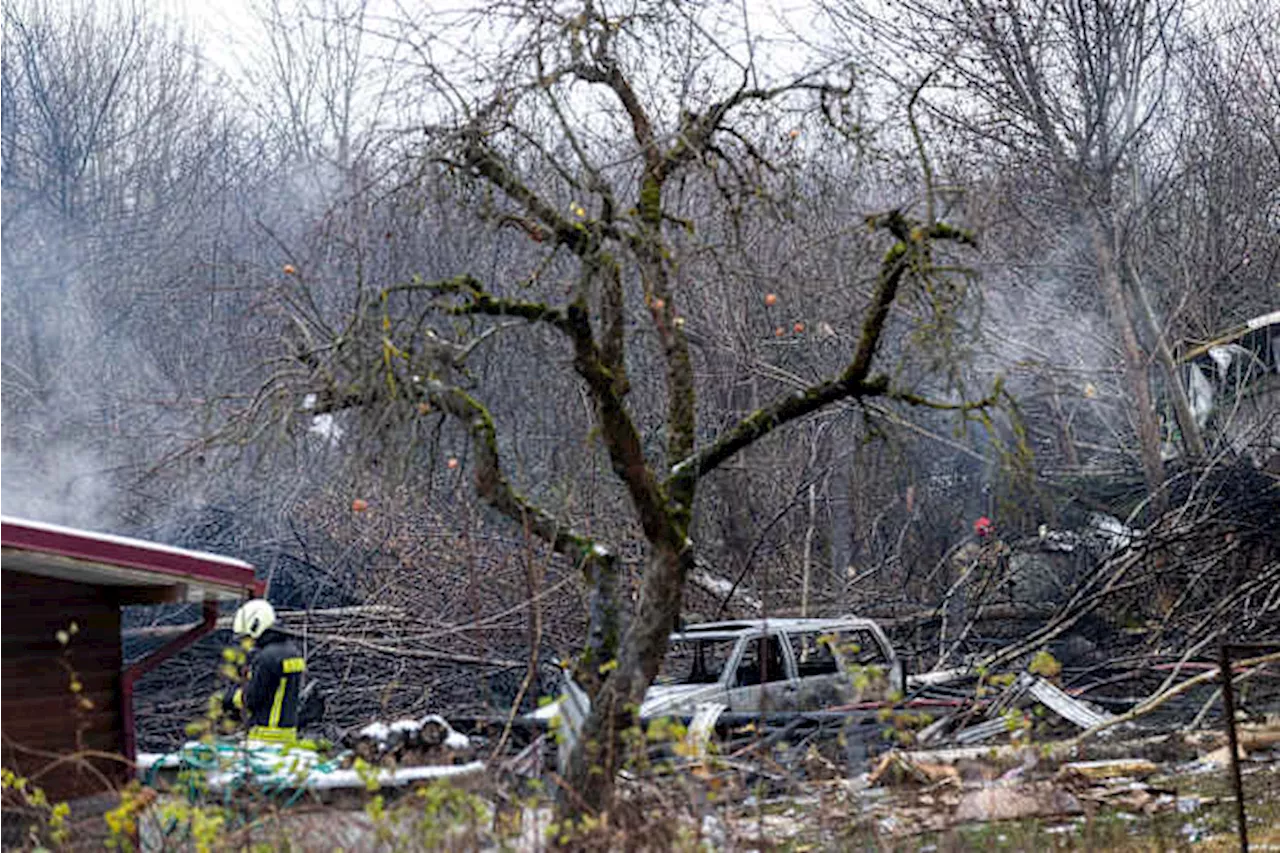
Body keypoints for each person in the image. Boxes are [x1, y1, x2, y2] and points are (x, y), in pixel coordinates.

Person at [226, 598, 306, 745]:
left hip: (264, 735)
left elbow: (252, 698)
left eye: (248, 636)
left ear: (256, 626)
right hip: (288, 734)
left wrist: (231, 698)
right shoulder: (293, 651)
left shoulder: (266, 658)